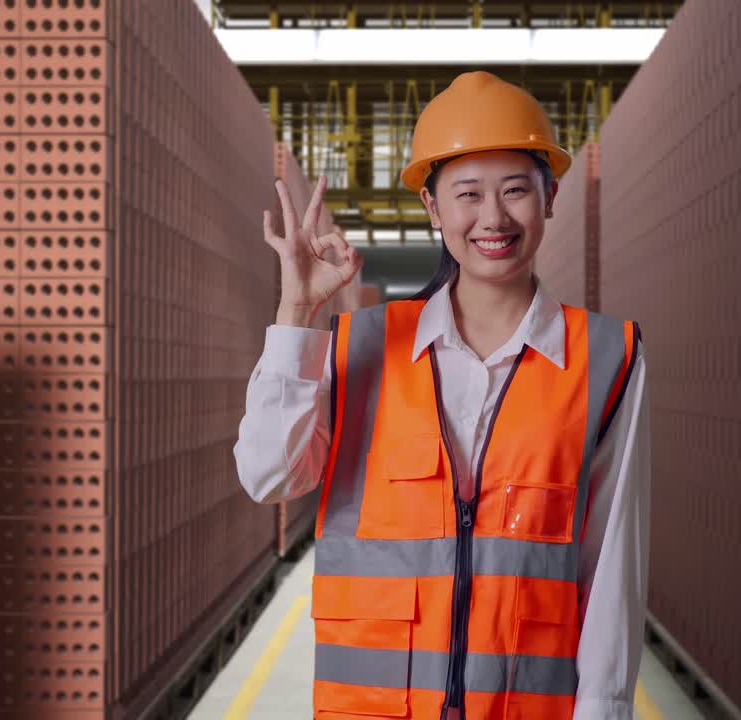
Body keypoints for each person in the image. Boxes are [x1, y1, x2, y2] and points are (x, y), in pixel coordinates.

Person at [234, 70, 650, 720]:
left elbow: (612, 562)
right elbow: (267, 477)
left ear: (550, 198)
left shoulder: (606, 358)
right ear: (432, 207)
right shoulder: (359, 346)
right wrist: (296, 311)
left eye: (516, 191)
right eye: (467, 194)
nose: (493, 217)